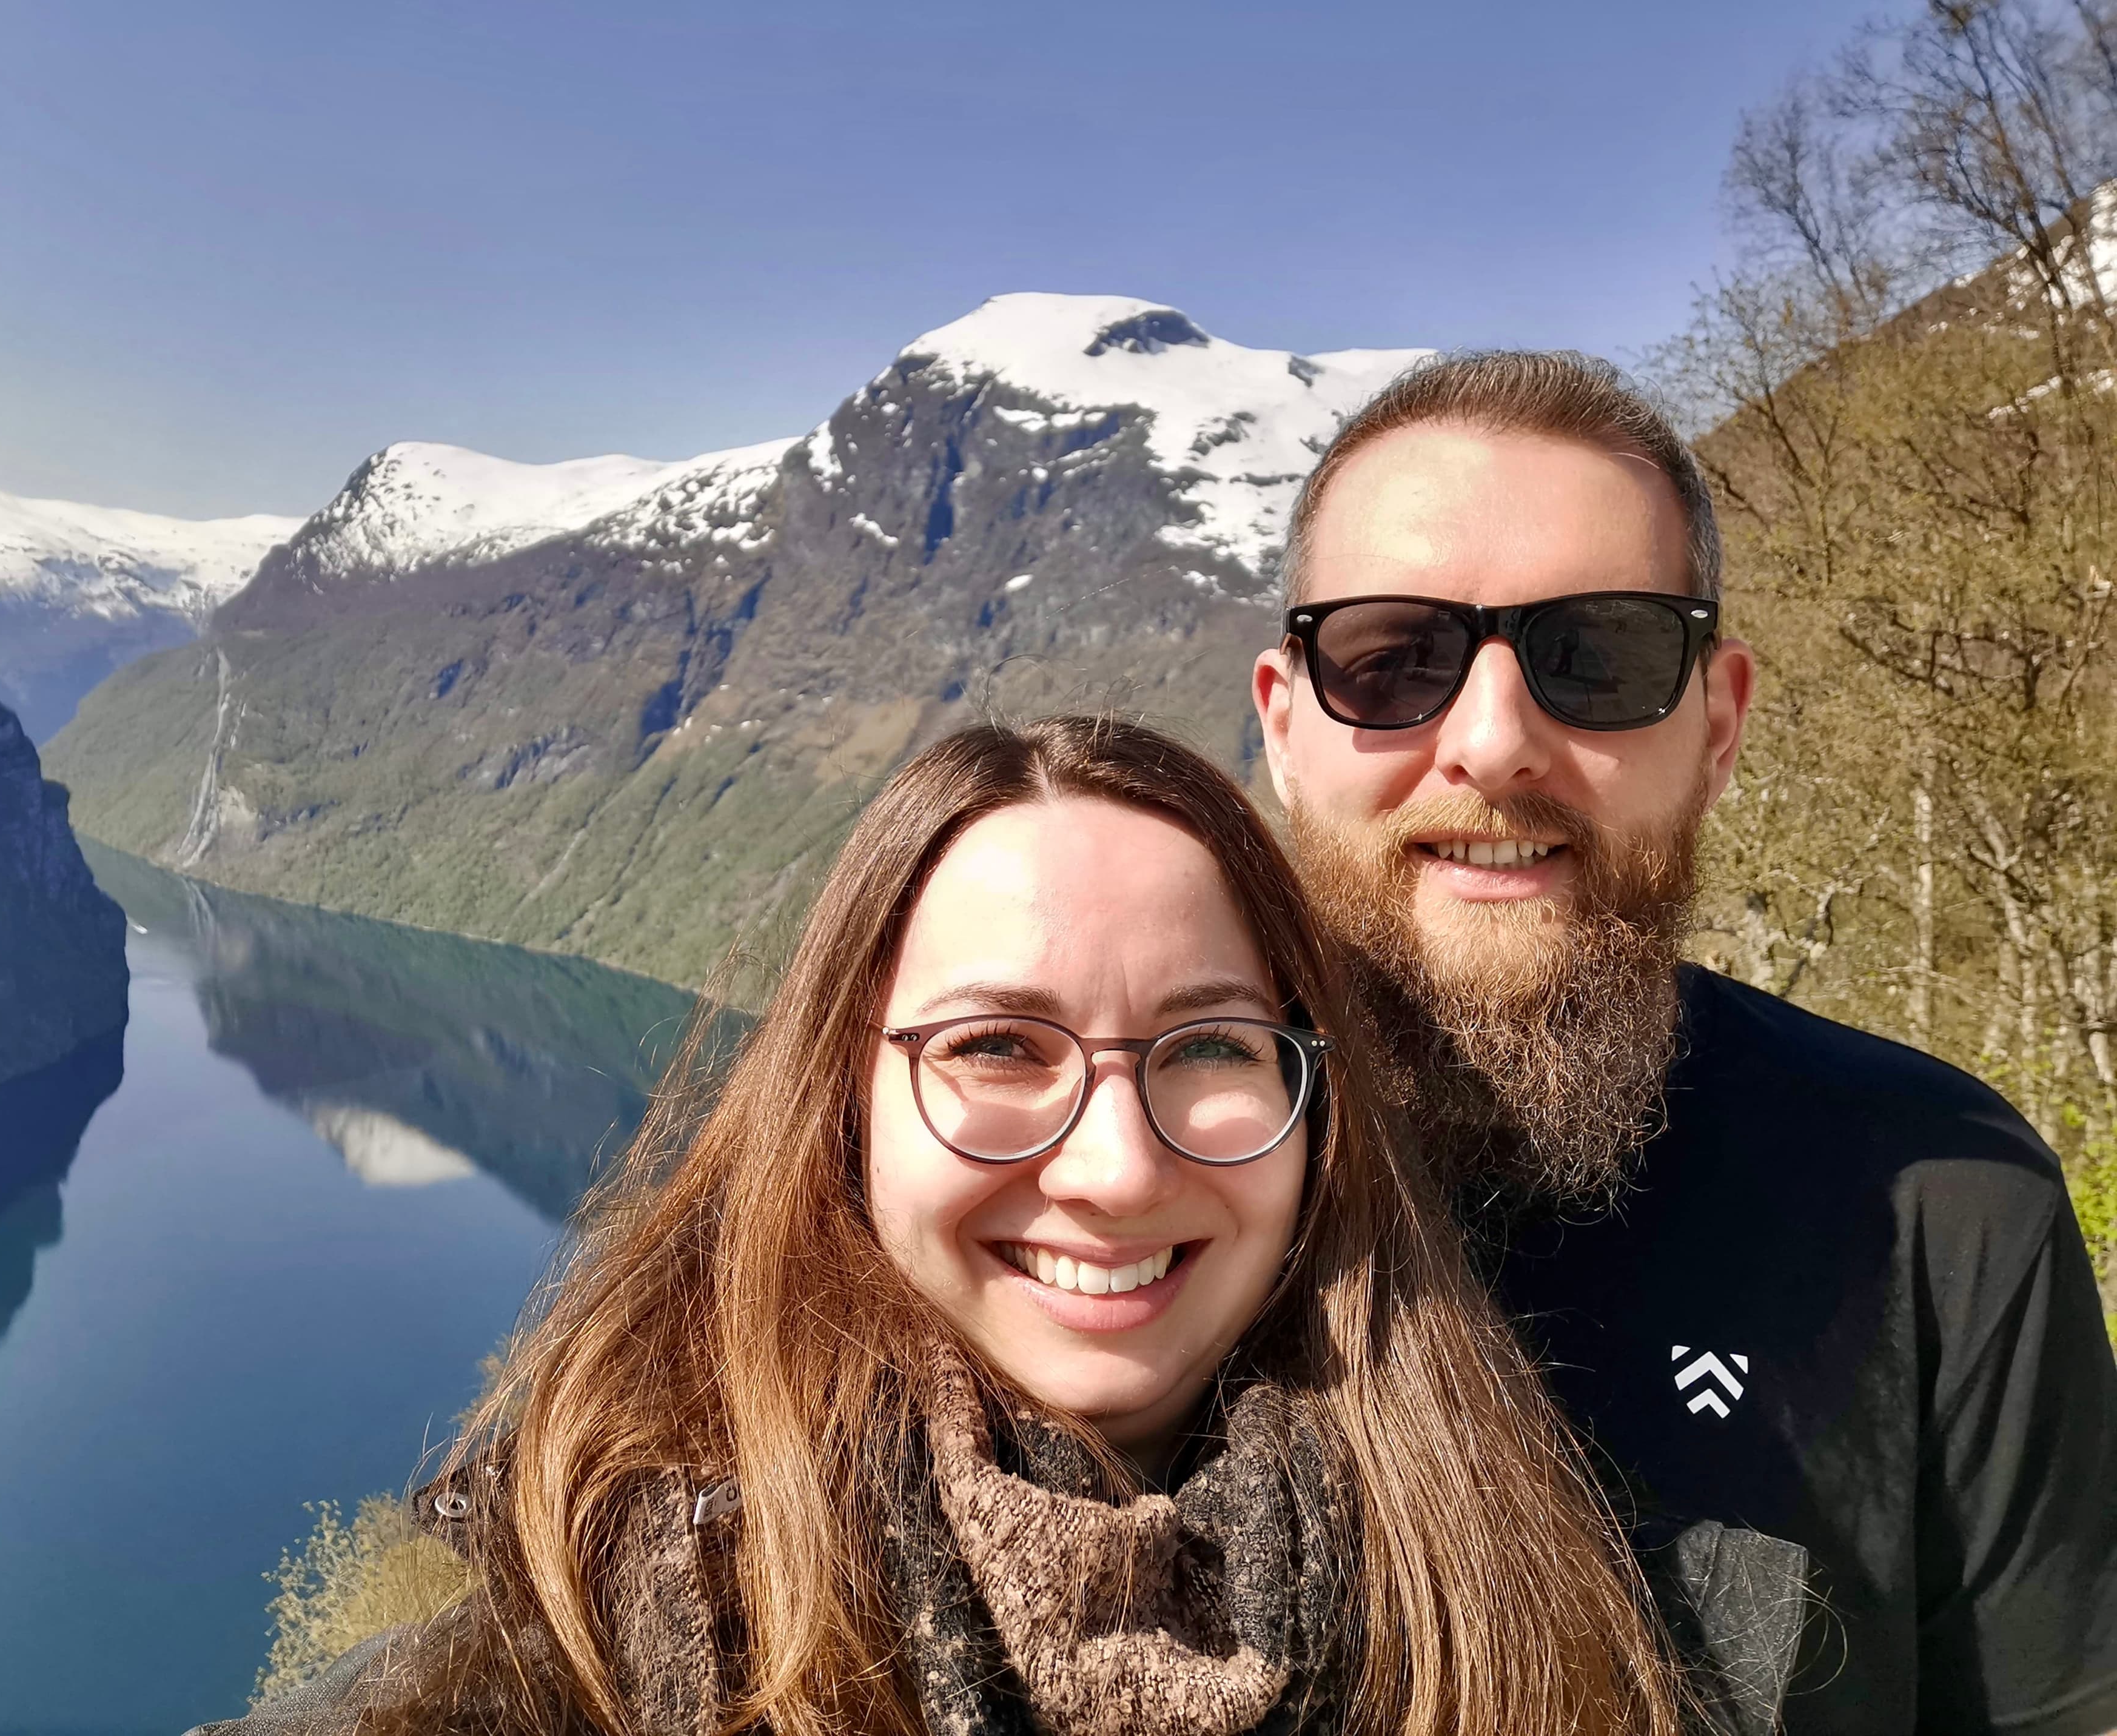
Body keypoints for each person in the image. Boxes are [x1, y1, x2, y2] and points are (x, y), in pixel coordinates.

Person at [193, 716, 1700, 1736]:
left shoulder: (1539, 1597)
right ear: (845, 1103)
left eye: (1211, 1045)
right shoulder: (586, 1642)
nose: (1116, 1169)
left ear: (1317, 1108)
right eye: (994, 1047)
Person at [1252, 350, 2117, 1736]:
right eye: (1392, 658)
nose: (1494, 742)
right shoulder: (1105, 1202)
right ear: (1285, 728)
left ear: (1718, 725)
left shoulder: (1941, 1206)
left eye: (1599, 655)